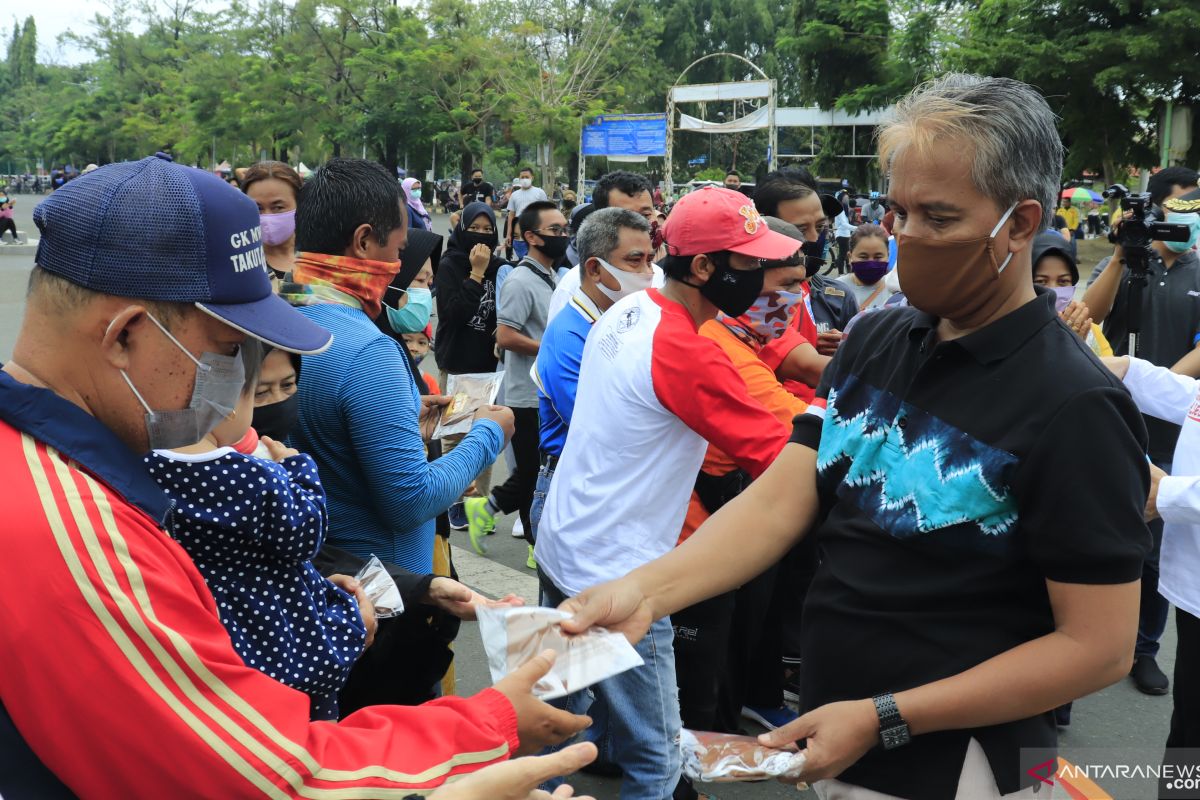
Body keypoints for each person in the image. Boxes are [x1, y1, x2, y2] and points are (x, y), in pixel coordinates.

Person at [560, 74, 1153, 800]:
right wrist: (644, 592)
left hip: (956, 766)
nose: (906, 239)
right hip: (840, 739)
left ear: (1021, 224)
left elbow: (1098, 648)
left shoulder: (1075, 404)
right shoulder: (878, 340)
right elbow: (785, 496)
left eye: (937, 218)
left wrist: (888, 718)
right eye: (899, 212)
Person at [0, 155, 588, 798]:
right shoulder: (73, 531)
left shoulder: (82, 464)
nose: (239, 397)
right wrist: (490, 724)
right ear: (124, 335)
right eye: (229, 354)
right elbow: (266, 769)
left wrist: (402, 587)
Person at [535, 186, 798, 800]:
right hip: (621, 577)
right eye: (750, 263)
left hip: (566, 542)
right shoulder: (685, 349)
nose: (761, 277)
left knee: (553, 728)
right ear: (704, 268)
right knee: (657, 759)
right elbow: (782, 456)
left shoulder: (633, 308)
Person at [281, 158, 511, 575]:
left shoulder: (282, 311)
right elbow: (410, 500)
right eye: (399, 251)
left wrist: (403, 414)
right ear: (365, 241)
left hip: (317, 569)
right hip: (383, 585)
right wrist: (489, 434)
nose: (398, 267)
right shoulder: (369, 350)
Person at [145, 338, 372, 722]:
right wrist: (299, 469)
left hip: (218, 629)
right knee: (309, 729)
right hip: (279, 627)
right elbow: (306, 535)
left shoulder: (146, 465)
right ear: (230, 397)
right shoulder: (256, 476)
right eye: (257, 392)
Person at [669, 218, 810, 752]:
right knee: (707, 648)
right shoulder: (709, 344)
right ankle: (696, 759)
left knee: (735, 633)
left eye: (801, 285)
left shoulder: (740, 331)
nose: (792, 299)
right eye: (772, 280)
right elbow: (784, 439)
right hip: (704, 513)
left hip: (723, 503)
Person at [1082, 184, 1200, 696]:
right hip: (1133, 418)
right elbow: (1091, 314)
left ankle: (1143, 648)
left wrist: (1168, 494)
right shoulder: (1136, 267)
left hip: (1172, 446)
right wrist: (1126, 374)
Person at [529, 207, 654, 541]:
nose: (648, 273)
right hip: (573, 486)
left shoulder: (629, 320)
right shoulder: (568, 334)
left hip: (614, 486)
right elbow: (596, 420)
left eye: (650, 260)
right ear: (595, 269)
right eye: (634, 261)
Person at [1103, 337, 1200, 770]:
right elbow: (1194, 402)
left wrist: (1170, 494)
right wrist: (1130, 371)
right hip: (1193, 590)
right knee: (1189, 731)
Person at [465, 200, 564, 569]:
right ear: (531, 237)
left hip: (545, 392)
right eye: (555, 230)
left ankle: (492, 512)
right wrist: (554, 348)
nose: (563, 235)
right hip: (525, 394)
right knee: (534, 472)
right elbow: (505, 336)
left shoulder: (551, 276)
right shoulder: (522, 280)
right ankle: (529, 539)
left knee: (535, 470)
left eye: (564, 228)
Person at [555, 171, 658, 312]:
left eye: (645, 215)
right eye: (625, 217)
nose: (639, 223)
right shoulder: (572, 286)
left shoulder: (661, 279)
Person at [1030, 230, 1112, 358]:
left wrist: (1078, 349)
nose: (1052, 290)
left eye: (1063, 281)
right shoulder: (1012, 331)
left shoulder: (1090, 332)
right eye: (1041, 282)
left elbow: (1110, 375)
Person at [241, 161, 302, 282]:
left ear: (299, 204)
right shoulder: (241, 264)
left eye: (278, 207)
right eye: (258, 208)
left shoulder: (318, 257)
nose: (267, 217)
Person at [835, 223, 895, 311]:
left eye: (878, 257)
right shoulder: (836, 289)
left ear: (888, 256)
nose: (871, 263)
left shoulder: (895, 290)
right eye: (863, 257)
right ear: (850, 257)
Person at [505, 167, 549, 260]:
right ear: (519, 178)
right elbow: (511, 215)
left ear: (532, 177)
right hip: (519, 233)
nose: (524, 179)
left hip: (535, 230)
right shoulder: (514, 195)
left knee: (535, 256)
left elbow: (545, 213)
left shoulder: (540, 192)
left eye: (527, 177)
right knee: (521, 256)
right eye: (522, 177)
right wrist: (509, 234)